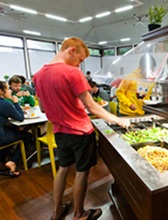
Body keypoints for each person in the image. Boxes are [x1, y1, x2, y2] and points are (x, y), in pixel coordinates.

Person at [33, 37, 130, 220]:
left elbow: (43, 108)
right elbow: (92, 107)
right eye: (80, 60)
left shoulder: (38, 75)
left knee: (63, 169)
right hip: (80, 132)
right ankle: (79, 214)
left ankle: (57, 211)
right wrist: (117, 120)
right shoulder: (72, 73)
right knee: (81, 172)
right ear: (72, 51)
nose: (79, 65)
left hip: (60, 132)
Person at [0, 81, 33, 177]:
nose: (10, 91)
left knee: (13, 133)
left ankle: (1, 161)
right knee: (27, 136)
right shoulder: (4, 104)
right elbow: (20, 117)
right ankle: (13, 161)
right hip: (1, 137)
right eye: (8, 89)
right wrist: (16, 103)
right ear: (1, 91)